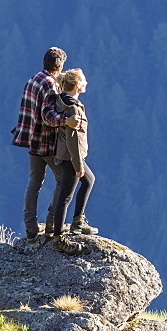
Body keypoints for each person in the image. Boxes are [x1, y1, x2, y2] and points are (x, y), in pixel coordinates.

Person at [12, 47, 78, 241]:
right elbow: (47, 115)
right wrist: (66, 121)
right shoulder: (50, 84)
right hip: (47, 142)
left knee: (34, 183)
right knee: (63, 180)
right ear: (59, 66)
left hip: (31, 140)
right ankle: (51, 223)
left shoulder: (34, 79)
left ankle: (30, 227)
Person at [50, 69, 97, 254]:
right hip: (70, 157)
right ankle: (59, 237)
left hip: (66, 155)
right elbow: (73, 140)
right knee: (65, 197)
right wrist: (78, 166)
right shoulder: (73, 108)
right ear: (77, 85)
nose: (86, 83)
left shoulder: (64, 100)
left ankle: (78, 221)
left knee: (89, 180)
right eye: (84, 81)